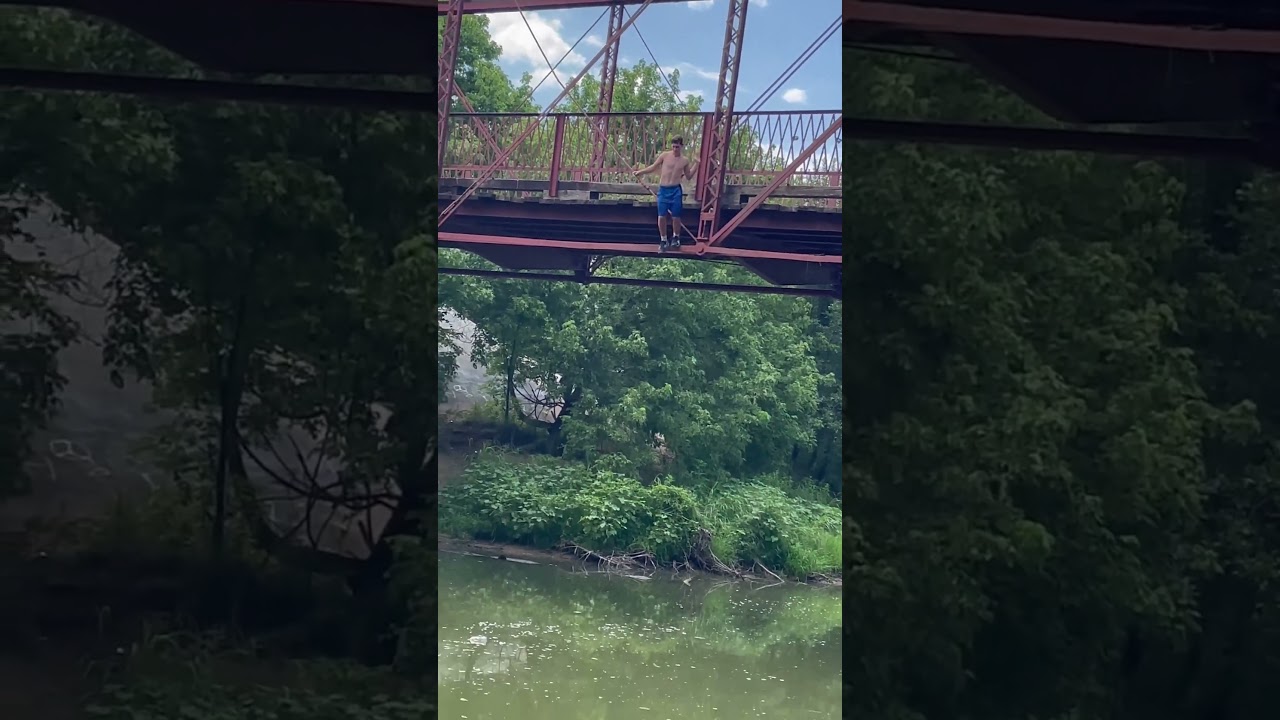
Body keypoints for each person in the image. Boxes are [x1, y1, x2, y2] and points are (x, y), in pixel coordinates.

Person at [633, 137, 697, 251]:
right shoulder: (665, 156)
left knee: (676, 215)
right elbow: (653, 167)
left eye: (677, 147)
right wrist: (640, 172)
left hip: (676, 190)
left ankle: (676, 237)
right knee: (662, 215)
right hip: (663, 189)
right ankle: (663, 239)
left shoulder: (684, 160)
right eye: (673, 146)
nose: (675, 149)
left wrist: (697, 164)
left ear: (681, 146)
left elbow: (689, 176)